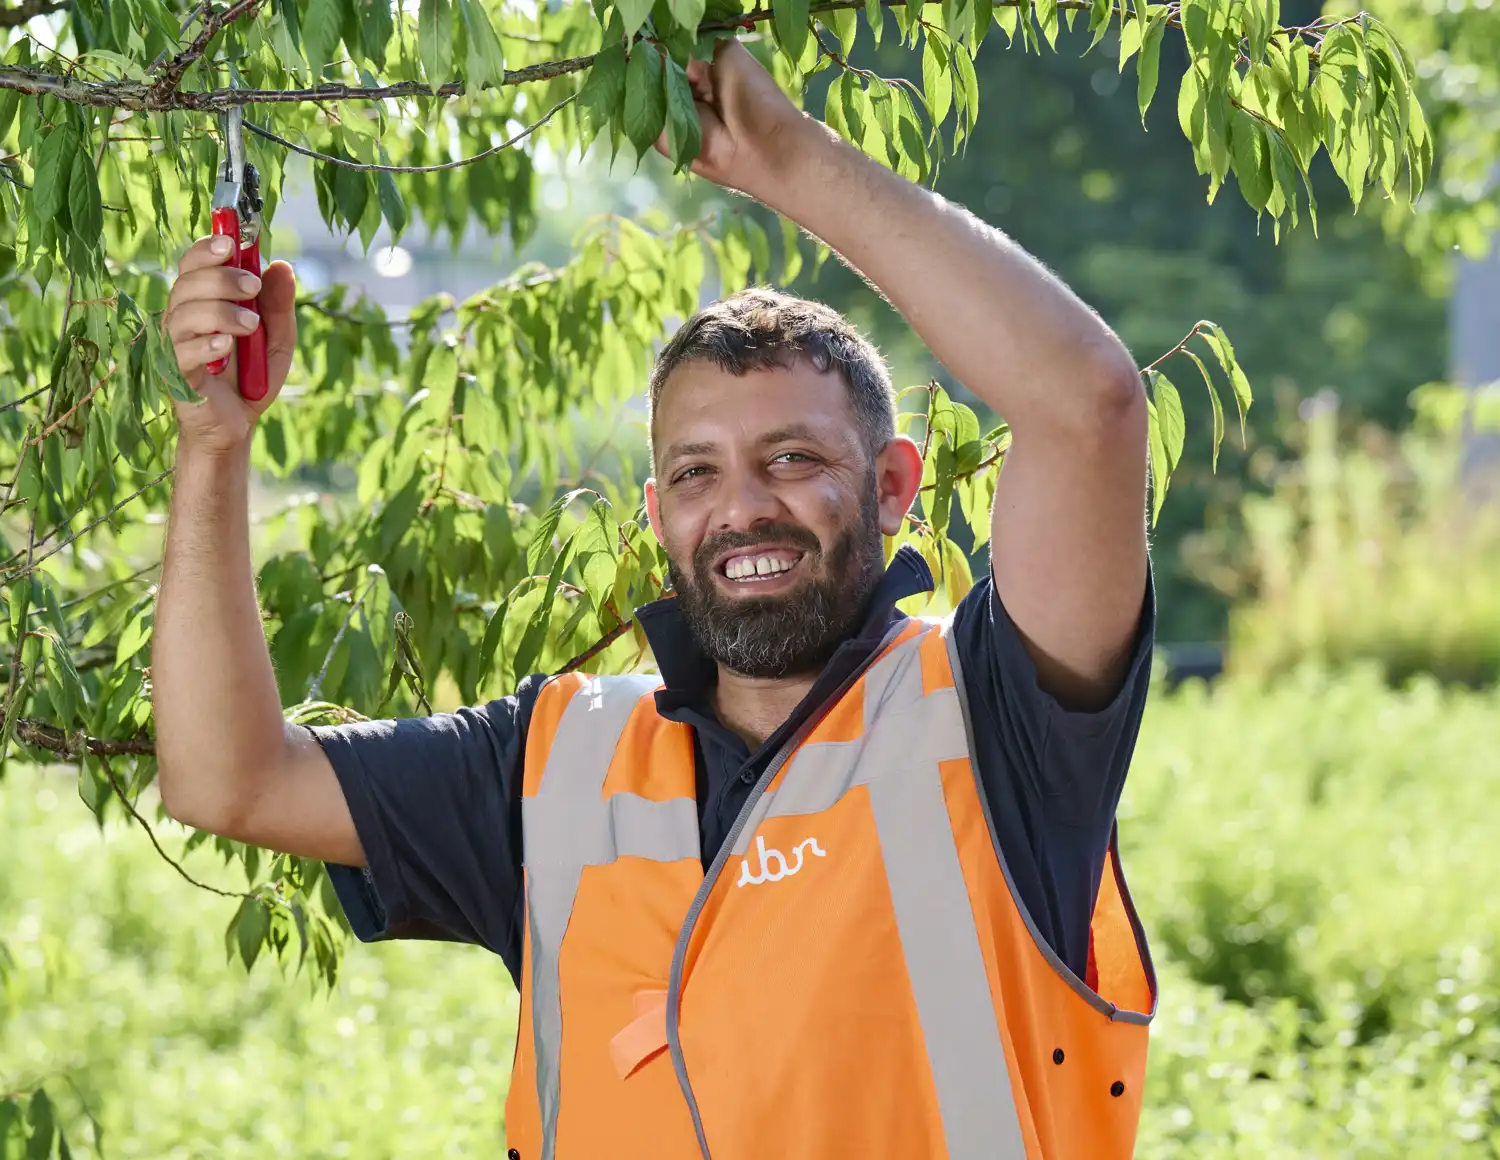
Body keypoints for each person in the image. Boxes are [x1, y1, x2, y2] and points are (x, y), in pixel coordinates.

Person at [151, 36, 1158, 1160]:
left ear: (892, 487)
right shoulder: (548, 763)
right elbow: (224, 775)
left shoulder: (999, 716)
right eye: (696, 472)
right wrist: (213, 445)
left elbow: (1089, 404)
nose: (741, 508)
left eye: (792, 459)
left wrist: (783, 158)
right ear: (655, 513)